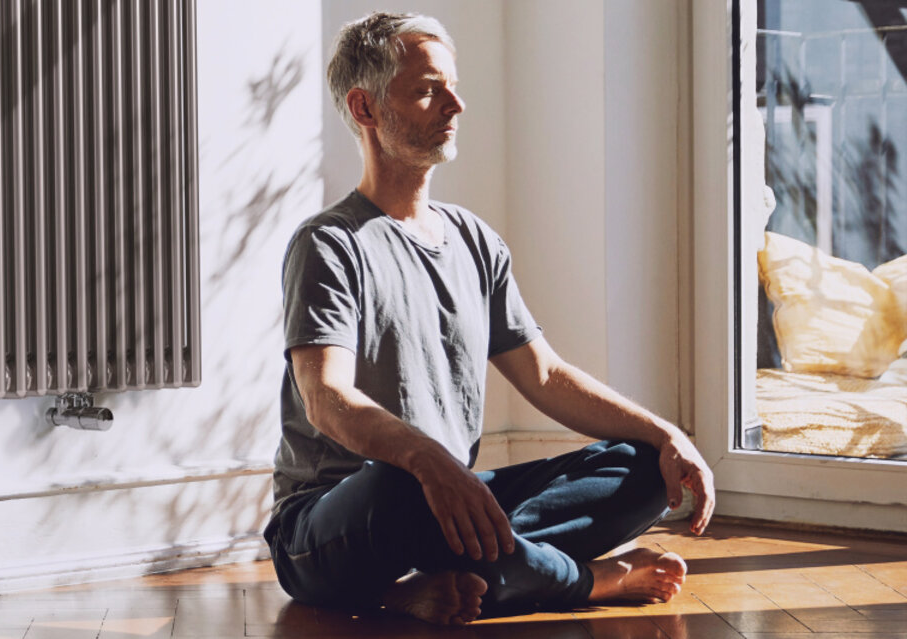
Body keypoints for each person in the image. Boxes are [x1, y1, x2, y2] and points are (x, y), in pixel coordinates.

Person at [265, 12, 716, 625]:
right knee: (402, 483)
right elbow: (326, 398)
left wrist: (667, 435)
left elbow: (546, 377)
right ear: (365, 109)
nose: (456, 104)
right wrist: (426, 461)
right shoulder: (329, 244)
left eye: (452, 85)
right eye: (428, 90)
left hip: (446, 499)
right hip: (336, 521)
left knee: (640, 467)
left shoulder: (473, 240)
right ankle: (577, 581)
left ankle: (443, 581)